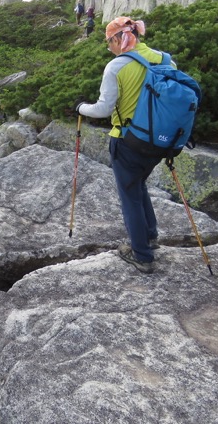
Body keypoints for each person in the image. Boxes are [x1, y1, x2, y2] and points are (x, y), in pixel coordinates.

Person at [74, 17, 171, 274]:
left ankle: (141, 254)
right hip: (160, 141)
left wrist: (81, 107)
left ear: (118, 38)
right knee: (139, 184)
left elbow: (104, 108)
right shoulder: (165, 60)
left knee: (129, 195)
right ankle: (150, 236)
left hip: (127, 140)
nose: (110, 48)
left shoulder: (116, 66)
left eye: (109, 43)